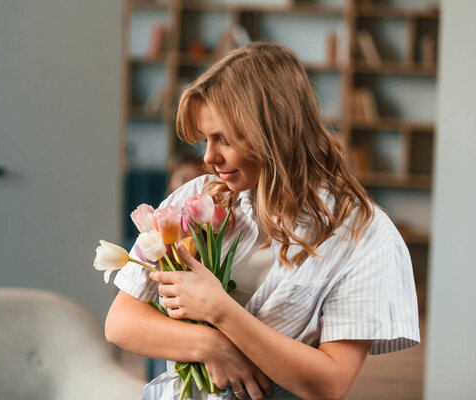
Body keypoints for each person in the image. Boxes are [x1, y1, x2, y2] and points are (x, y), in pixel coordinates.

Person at [105, 42, 420, 400]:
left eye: (222, 139)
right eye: (206, 140)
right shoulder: (196, 199)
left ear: (271, 132)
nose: (209, 157)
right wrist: (210, 345)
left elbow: (331, 384)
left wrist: (221, 312)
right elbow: (120, 323)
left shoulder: (363, 234)